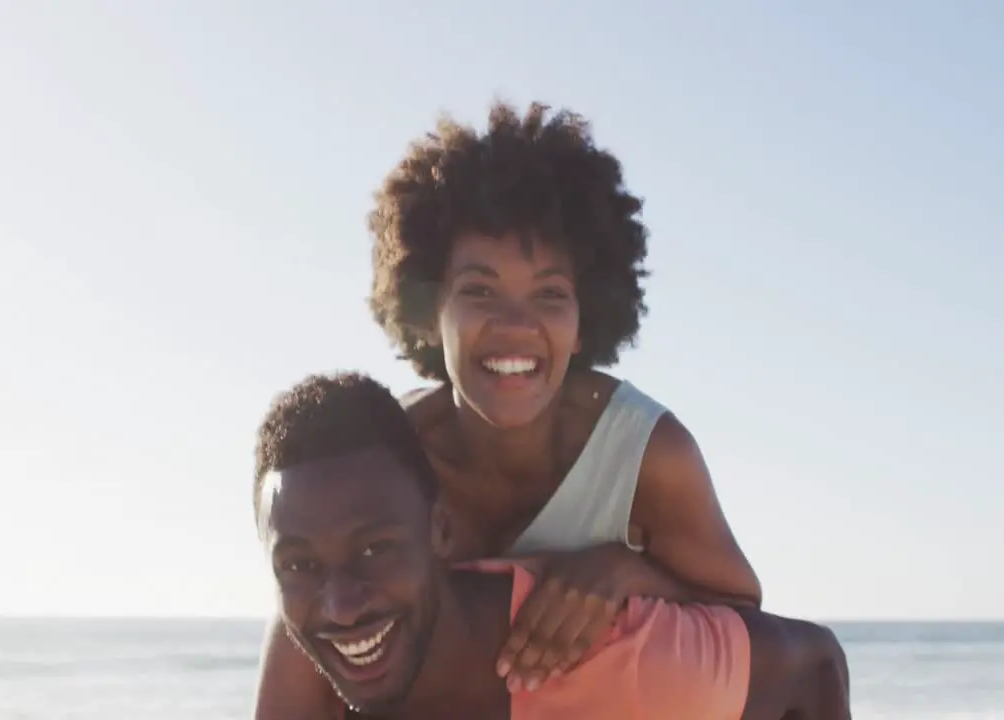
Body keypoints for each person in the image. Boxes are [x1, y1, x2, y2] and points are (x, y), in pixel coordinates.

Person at [254, 100, 764, 718]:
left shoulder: (648, 457)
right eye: (480, 291)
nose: (515, 326)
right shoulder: (390, 454)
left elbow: (745, 623)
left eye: (549, 294)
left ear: (585, 322)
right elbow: (313, 613)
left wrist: (624, 573)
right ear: (429, 311)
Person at [254, 372, 851, 720]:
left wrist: (633, 573)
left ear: (440, 531)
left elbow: (814, 662)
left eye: (372, 550)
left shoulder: (613, 659)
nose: (340, 605)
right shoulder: (312, 660)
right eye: (299, 565)